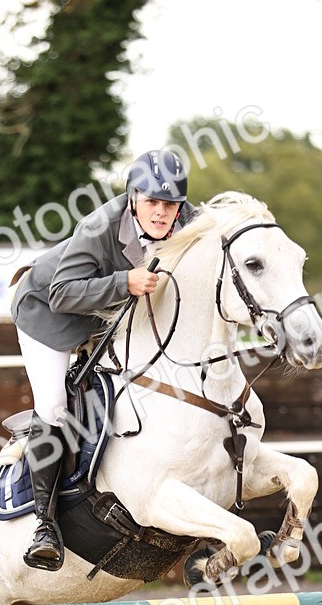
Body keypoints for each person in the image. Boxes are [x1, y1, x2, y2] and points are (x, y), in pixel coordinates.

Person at [10, 149, 197, 571]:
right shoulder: (99, 227)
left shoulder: (187, 219)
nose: (162, 213)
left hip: (108, 315)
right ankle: (44, 524)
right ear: (132, 197)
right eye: (152, 202)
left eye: (171, 205)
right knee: (55, 404)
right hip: (49, 314)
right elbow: (61, 293)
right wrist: (124, 282)